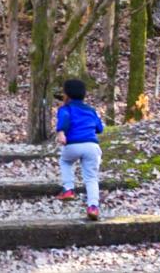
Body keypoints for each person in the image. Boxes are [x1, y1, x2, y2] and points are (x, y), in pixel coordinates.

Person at [55, 78, 104, 221]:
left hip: (73, 145)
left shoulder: (66, 109)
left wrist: (61, 132)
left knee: (65, 161)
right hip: (92, 146)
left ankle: (69, 189)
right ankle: (93, 206)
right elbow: (99, 128)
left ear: (66, 94)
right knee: (91, 178)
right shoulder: (90, 110)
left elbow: (64, 119)